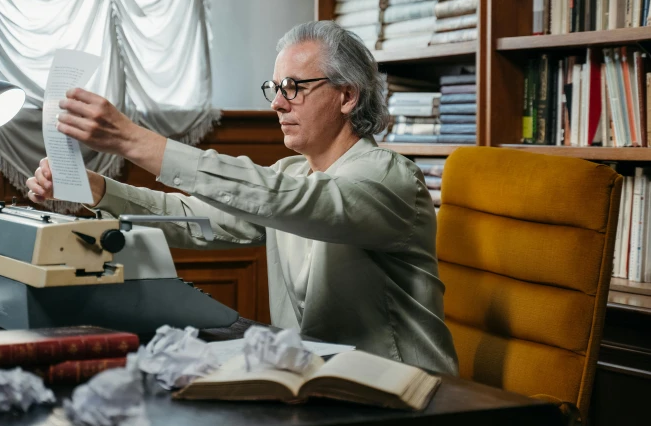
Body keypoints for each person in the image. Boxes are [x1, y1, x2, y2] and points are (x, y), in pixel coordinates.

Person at [27, 21, 459, 376]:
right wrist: (98, 190)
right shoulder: (291, 173)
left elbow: (292, 201)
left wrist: (134, 141)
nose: (278, 105)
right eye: (274, 88)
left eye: (293, 87)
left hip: (407, 396)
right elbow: (191, 219)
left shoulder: (391, 178)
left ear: (347, 96)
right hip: (320, 381)